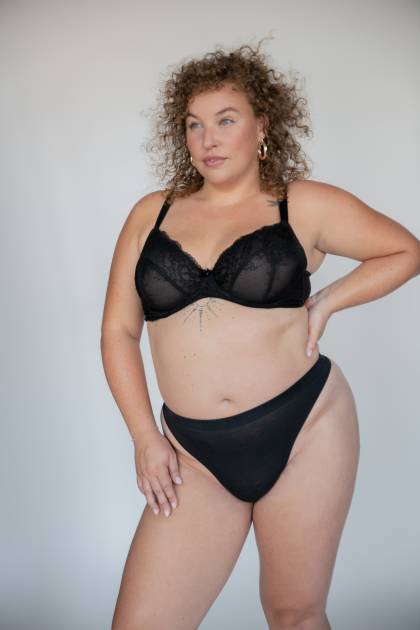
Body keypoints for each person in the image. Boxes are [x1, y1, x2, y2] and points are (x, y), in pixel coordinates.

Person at [101, 41, 420, 630]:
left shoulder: (303, 203)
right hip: (192, 454)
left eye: (226, 120)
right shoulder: (152, 214)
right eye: (194, 124)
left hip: (304, 430)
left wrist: (328, 302)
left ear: (262, 125)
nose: (209, 139)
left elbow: (404, 251)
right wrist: (144, 436)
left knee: (294, 615)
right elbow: (119, 332)